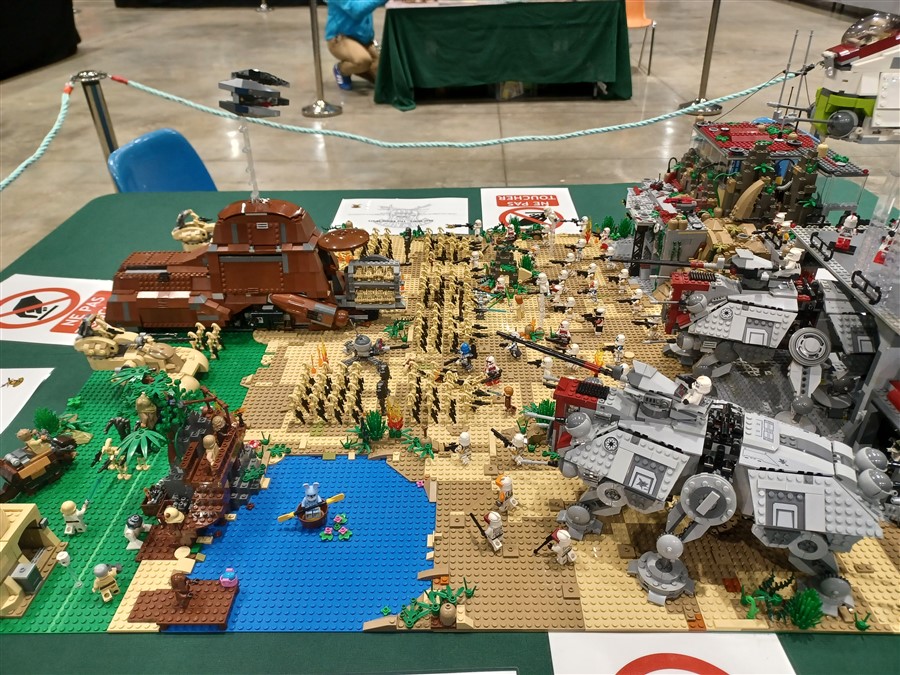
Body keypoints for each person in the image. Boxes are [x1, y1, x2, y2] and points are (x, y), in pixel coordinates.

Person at [326, 0, 388, 91]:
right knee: (362, 61)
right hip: (341, 38)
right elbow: (357, 10)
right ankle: (341, 70)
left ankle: (360, 67)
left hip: (364, 40)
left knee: (385, 77)